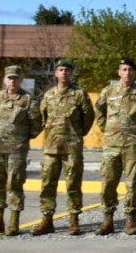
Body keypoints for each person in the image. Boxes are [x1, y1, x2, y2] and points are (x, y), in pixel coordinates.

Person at [33, 59, 94, 236]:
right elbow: (42, 118)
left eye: (67, 70)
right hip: (51, 147)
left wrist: (77, 135)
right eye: (60, 70)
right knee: (47, 184)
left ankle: (73, 219)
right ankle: (47, 219)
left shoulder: (80, 94)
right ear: (56, 73)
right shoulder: (49, 95)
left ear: (71, 73)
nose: (64, 73)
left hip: (72, 148)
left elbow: (88, 117)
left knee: (73, 184)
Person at [95, 58, 136, 235]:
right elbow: (100, 112)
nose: (127, 73)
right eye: (124, 69)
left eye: (130, 70)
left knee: (133, 183)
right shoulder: (108, 91)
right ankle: (108, 220)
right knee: (108, 182)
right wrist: (107, 129)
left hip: (132, 145)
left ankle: (130, 219)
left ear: (134, 73)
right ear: (119, 72)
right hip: (111, 145)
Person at [0, 65, 42, 236]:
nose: (12, 81)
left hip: (17, 149)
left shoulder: (28, 100)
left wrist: (21, 138)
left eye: (15, 78)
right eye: (9, 78)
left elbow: (36, 125)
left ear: (21, 79)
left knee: (14, 184)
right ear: (4, 80)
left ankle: (14, 222)